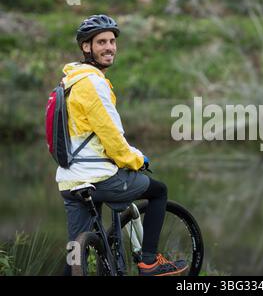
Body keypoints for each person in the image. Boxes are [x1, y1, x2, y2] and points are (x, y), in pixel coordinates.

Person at [57, 14, 187, 276]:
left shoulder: (68, 83)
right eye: (101, 42)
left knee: (75, 255)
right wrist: (138, 160)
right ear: (86, 47)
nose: (109, 47)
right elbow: (113, 139)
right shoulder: (93, 82)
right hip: (99, 179)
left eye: (112, 41)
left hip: (70, 182)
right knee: (159, 191)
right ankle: (150, 261)